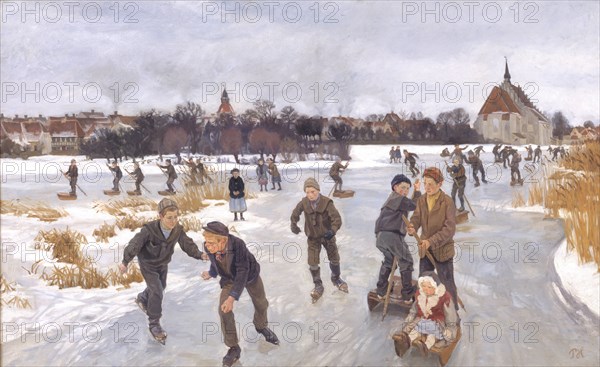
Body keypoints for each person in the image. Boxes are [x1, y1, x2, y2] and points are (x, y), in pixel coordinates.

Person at [118, 198, 208, 343]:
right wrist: (125, 261)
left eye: (175, 217)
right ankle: (154, 324)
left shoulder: (177, 230)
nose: (173, 221)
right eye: (169, 218)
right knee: (158, 291)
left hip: (162, 263)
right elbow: (135, 244)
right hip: (148, 264)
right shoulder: (149, 230)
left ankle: (142, 298)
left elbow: (187, 244)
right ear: (160, 216)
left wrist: (199, 254)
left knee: (161, 287)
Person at [200, 221, 279, 367]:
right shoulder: (208, 246)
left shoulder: (238, 245)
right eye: (206, 242)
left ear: (223, 240)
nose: (207, 246)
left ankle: (261, 326)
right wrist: (211, 273)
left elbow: (243, 271)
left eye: (211, 243)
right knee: (223, 310)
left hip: (249, 275)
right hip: (229, 278)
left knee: (261, 303)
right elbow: (215, 262)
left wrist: (232, 297)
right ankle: (233, 347)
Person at [407, 167, 459, 311]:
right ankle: (424, 311)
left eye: (431, 184)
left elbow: (449, 229)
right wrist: (412, 227)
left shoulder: (447, 202)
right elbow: (416, 217)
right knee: (423, 282)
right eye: (425, 183)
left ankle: (453, 315)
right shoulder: (422, 199)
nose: (427, 187)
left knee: (447, 284)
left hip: (443, 251)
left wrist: (431, 241)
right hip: (425, 250)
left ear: (440, 184)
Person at [290, 177, 347, 301]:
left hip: (328, 237)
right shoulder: (304, 202)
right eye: (307, 192)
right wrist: (293, 224)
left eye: (313, 192)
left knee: (334, 258)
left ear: (318, 190)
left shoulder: (327, 203)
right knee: (312, 261)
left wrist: (332, 231)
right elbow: (295, 213)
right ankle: (318, 284)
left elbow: (337, 219)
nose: (310, 195)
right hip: (313, 237)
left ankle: (336, 278)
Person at [373, 174, 421, 303]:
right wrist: (417, 192)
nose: (405, 191)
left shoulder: (393, 199)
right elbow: (414, 205)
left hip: (381, 237)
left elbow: (408, 204)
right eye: (403, 187)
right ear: (395, 187)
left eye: (407, 189)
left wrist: (413, 192)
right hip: (392, 235)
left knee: (389, 261)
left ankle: (381, 291)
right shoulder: (398, 198)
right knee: (406, 261)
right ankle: (407, 295)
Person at [393, 272, 459, 358]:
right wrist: (407, 322)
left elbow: (451, 317)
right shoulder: (420, 295)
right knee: (415, 330)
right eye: (423, 286)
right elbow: (413, 311)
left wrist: (450, 329)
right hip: (422, 320)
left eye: (429, 287)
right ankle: (406, 342)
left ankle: (425, 346)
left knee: (432, 336)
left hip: (437, 323)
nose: (426, 290)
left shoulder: (443, 298)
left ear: (435, 287)